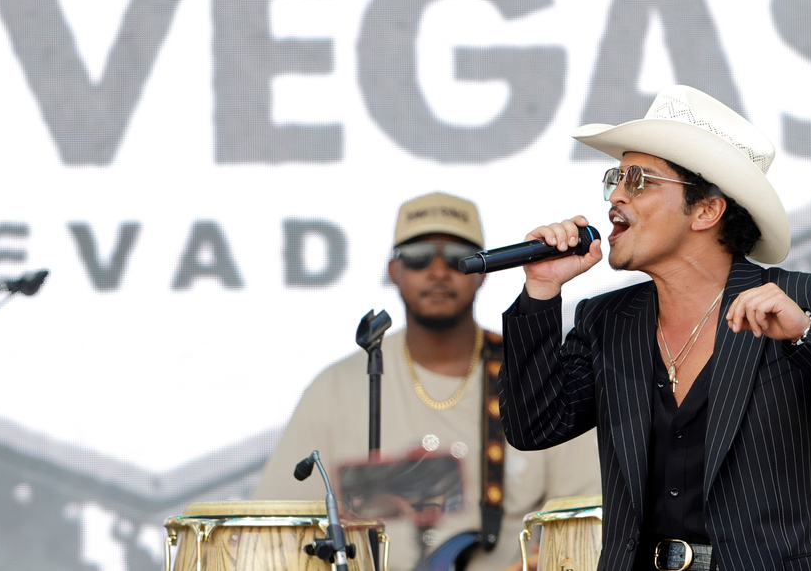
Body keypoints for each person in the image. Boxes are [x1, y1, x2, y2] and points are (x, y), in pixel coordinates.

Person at [497, 85, 811, 571]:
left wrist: (806, 334)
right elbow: (532, 426)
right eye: (614, 179)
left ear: (707, 209)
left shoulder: (803, 301)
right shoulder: (607, 321)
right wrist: (540, 290)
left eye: (639, 180)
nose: (616, 196)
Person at [255, 191, 601, 571]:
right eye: (419, 258)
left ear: (482, 271)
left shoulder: (538, 375)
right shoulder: (335, 387)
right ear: (394, 271)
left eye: (456, 258)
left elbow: (585, 519)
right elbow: (278, 529)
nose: (438, 271)